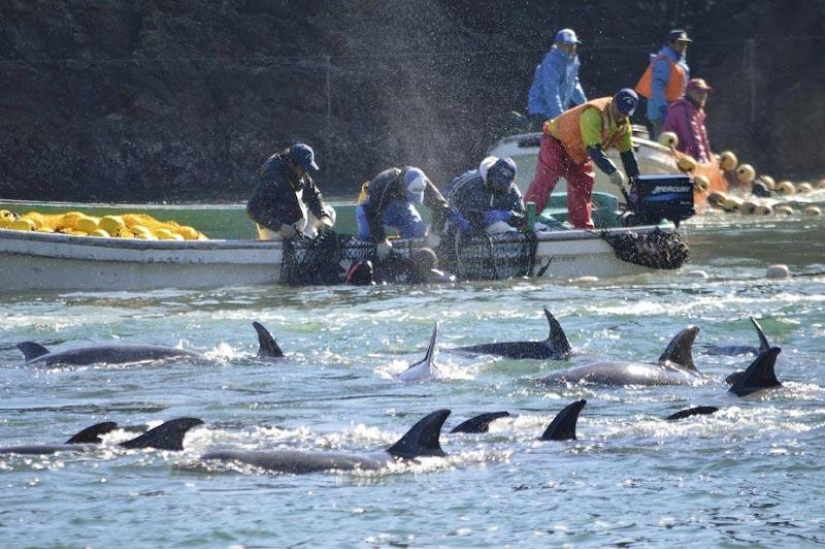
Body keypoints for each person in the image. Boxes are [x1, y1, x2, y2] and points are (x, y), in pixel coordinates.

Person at [524, 89, 641, 229]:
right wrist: (612, 171)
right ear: (613, 101)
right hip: (556, 142)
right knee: (547, 178)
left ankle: (583, 228)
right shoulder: (594, 113)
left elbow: (628, 155)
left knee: (584, 185)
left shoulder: (623, 125)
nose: (621, 115)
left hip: (578, 152)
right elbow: (594, 150)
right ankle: (526, 220)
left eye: (626, 113)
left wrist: (636, 182)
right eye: (620, 109)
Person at [355, 166, 449, 260]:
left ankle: (413, 265)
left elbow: (442, 206)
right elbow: (372, 213)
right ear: (403, 185)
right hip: (370, 210)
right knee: (367, 242)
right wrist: (381, 241)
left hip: (401, 208)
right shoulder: (385, 182)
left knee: (417, 232)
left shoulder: (421, 180)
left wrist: (436, 232)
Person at [247, 143, 336, 240]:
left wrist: (323, 218)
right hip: (275, 228)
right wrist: (280, 227)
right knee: (285, 238)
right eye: (303, 168)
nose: (305, 172)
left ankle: (312, 239)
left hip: (294, 223)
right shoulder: (273, 177)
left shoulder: (301, 174)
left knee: (329, 212)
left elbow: (315, 196)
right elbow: (253, 208)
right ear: (292, 164)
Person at [443, 156, 526, 236]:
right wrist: (461, 222)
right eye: (496, 182)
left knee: (502, 228)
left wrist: (502, 216)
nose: (498, 187)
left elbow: (521, 216)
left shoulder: (512, 190)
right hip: (459, 227)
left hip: (487, 232)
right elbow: (445, 200)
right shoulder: (471, 180)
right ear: (491, 171)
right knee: (449, 229)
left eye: (502, 185)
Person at [526, 28, 587, 130]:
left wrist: (587, 107)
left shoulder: (573, 61)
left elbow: (575, 86)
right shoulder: (551, 63)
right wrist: (560, 117)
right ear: (558, 45)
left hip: (556, 112)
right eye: (567, 45)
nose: (571, 48)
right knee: (545, 140)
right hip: (541, 111)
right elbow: (551, 92)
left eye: (573, 45)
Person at [636, 29, 692, 138]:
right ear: (671, 43)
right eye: (680, 43)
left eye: (686, 43)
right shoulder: (664, 62)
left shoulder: (679, 63)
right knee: (663, 144)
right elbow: (657, 87)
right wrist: (663, 109)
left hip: (674, 110)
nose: (684, 46)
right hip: (662, 111)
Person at [661, 77, 713, 163]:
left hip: (681, 158)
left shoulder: (697, 110)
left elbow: (703, 139)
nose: (703, 95)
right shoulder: (683, 110)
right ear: (689, 92)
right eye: (699, 91)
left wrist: (708, 160)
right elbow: (691, 136)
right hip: (671, 158)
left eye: (705, 92)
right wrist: (702, 160)